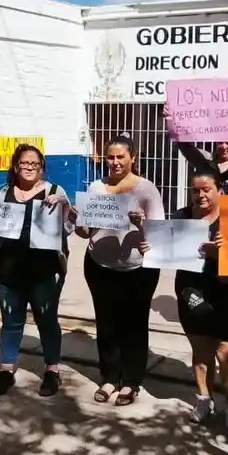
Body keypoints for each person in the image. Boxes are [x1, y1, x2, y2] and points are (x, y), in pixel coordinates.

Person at [142, 167, 228, 431]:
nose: (200, 195)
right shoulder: (182, 217)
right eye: (195, 190)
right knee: (201, 352)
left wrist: (226, 253)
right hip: (193, 291)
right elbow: (165, 247)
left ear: (220, 192)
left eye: (206, 190)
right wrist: (149, 246)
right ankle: (204, 399)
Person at [71, 135, 165, 406]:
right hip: (100, 266)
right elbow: (84, 231)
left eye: (120, 157)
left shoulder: (146, 189)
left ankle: (132, 381)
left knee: (134, 326)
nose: (114, 162)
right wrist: (78, 221)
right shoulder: (96, 187)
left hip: (138, 270)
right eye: (110, 157)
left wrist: (141, 223)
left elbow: (158, 234)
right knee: (106, 323)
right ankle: (110, 377)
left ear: (132, 158)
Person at [0, 143, 71, 398]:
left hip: (45, 270)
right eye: (25, 163)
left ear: (42, 168)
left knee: (47, 321)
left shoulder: (56, 192)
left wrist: (65, 209)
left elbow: (67, 229)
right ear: (15, 166)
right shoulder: (4, 193)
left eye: (35, 164)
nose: (29, 168)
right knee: (11, 321)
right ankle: (5, 370)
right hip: (9, 269)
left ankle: (52, 371)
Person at [162, 102, 228, 196]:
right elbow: (185, 146)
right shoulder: (206, 161)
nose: (224, 146)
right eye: (220, 142)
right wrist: (171, 120)